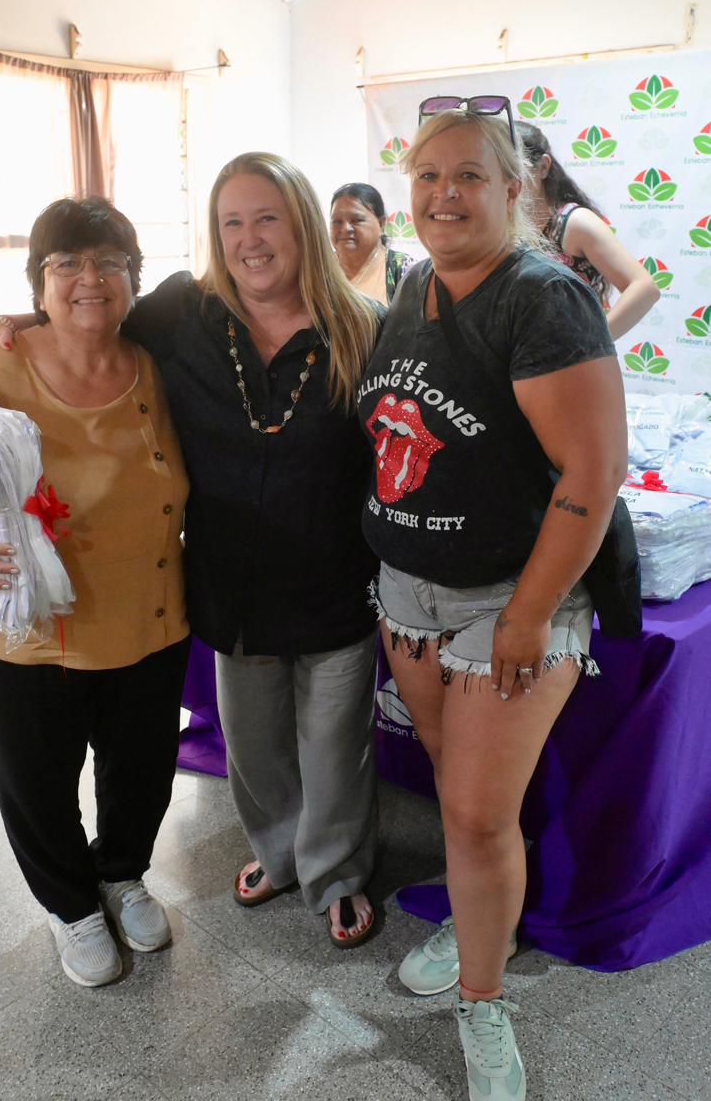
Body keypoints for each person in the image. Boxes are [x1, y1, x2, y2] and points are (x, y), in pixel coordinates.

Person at [0, 154, 382, 948]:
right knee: (253, 750)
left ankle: (335, 875)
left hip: (333, 578)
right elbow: (89, 309)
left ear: (302, 226)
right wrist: (7, 320)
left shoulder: (363, 326)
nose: (250, 239)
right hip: (229, 584)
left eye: (268, 218)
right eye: (232, 222)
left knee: (334, 748)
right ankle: (278, 855)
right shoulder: (188, 311)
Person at [357, 105, 626, 1101]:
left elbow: (593, 474)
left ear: (513, 190)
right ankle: (491, 927)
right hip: (408, 592)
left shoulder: (544, 297)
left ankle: (483, 997)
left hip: (509, 598)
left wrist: (526, 615)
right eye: (427, 177)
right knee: (457, 791)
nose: (444, 194)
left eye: (468, 175)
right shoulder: (413, 284)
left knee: (474, 816)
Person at [0, 197, 191, 988]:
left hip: (145, 614)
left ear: (133, 279)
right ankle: (71, 906)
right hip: (21, 627)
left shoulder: (155, 363)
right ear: (39, 281)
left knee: (141, 768)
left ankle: (121, 876)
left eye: (110, 263)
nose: (91, 279)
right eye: (66, 264)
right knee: (36, 777)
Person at [519, 122, 659, 338]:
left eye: (514, 170)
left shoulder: (574, 222)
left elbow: (644, 288)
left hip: (570, 356)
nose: (506, 181)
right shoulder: (503, 226)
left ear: (543, 167)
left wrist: (592, 345)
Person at [330, 182, 417, 304]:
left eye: (356, 220)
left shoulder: (404, 269)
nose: (345, 228)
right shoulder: (319, 268)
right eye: (337, 221)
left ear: (381, 224)